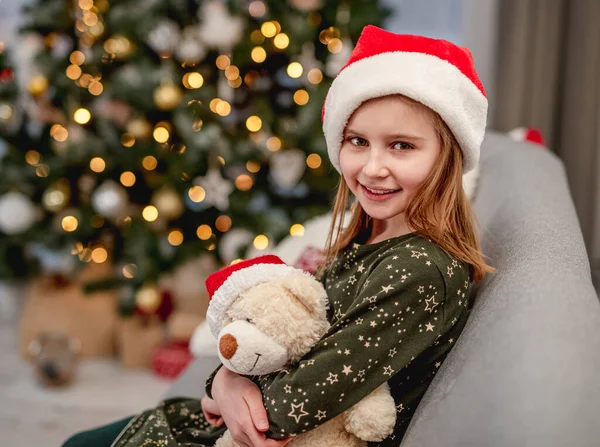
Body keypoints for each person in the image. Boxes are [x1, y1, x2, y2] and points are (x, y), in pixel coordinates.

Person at [63, 24, 493, 447]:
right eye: (357, 141)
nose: (373, 167)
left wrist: (226, 385)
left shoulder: (418, 270)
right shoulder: (367, 236)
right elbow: (285, 339)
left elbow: (293, 405)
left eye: (402, 146)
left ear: (447, 156)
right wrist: (226, 379)